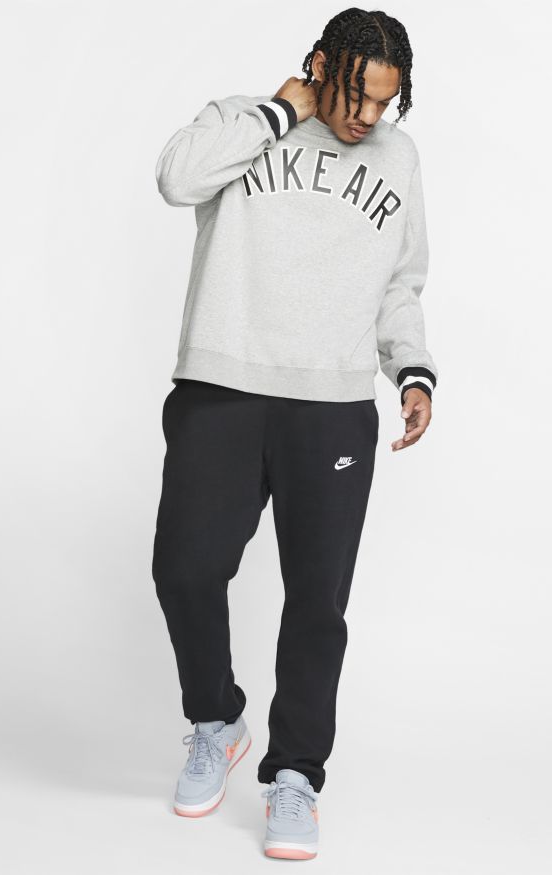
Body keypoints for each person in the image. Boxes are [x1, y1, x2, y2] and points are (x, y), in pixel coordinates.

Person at [151, 8, 438, 861]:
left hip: (332, 402)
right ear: (319, 64)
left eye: (383, 102)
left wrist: (411, 368)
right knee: (185, 570)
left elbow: (400, 280)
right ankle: (216, 719)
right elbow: (175, 179)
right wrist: (281, 111)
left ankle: (295, 775)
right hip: (223, 387)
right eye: (355, 95)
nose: (366, 117)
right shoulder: (241, 121)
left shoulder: (397, 157)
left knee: (317, 601)